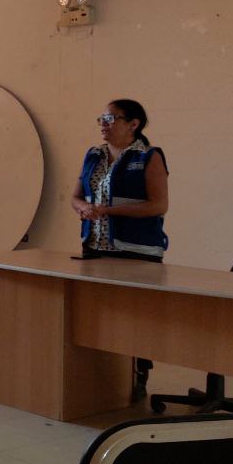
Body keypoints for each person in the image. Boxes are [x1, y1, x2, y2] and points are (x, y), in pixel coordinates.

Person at [70, 98, 169, 399]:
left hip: (137, 251)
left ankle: (138, 376)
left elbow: (159, 205)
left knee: (136, 319)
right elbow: (76, 196)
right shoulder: (94, 155)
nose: (104, 123)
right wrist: (83, 207)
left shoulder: (149, 156)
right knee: (100, 316)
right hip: (96, 249)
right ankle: (103, 377)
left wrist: (109, 211)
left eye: (111, 118)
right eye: (102, 118)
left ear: (133, 124)